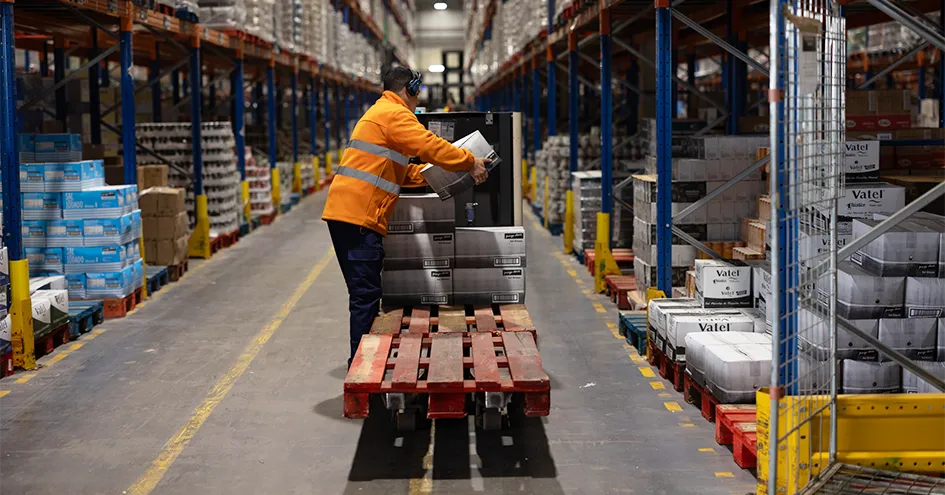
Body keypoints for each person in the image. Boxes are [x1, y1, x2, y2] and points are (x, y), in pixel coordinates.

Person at [322, 66, 490, 367]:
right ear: (410, 89)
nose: (417, 100)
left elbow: (399, 171)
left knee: (365, 294)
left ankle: (363, 364)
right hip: (358, 218)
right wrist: (468, 161)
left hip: (349, 214)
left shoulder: (382, 112)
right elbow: (427, 145)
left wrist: (434, 177)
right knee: (365, 296)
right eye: (418, 93)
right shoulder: (395, 113)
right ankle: (361, 368)